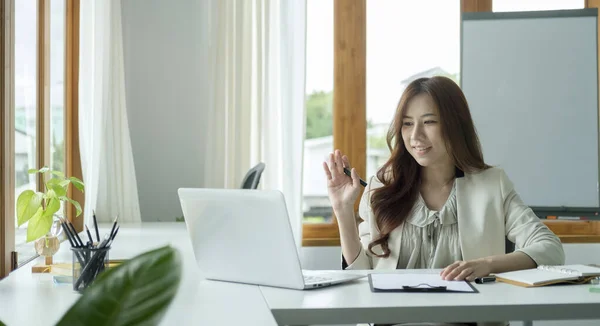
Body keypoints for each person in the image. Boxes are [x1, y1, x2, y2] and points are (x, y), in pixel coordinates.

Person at [322, 76, 564, 326]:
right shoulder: (381, 187)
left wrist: (486, 265)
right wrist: (342, 210)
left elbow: (550, 248)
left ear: (454, 125)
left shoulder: (492, 184)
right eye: (406, 124)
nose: (415, 135)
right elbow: (361, 276)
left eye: (429, 122)